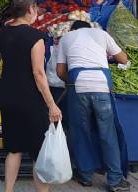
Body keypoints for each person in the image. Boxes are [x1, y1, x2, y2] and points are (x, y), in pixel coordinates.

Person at [0, 0, 63, 192]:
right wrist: (51, 104)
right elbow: (38, 73)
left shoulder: (4, 33)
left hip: (8, 95)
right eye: (36, 8)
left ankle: (8, 190)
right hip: (30, 98)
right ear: (31, 9)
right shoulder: (35, 37)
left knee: (14, 148)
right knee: (39, 151)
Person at [56, 21, 131, 192]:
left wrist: (74, 82)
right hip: (101, 85)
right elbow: (123, 58)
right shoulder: (101, 34)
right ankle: (115, 179)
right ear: (89, 27)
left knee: (80, 130)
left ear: (73, 29)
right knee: (108, 132)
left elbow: (60, 71)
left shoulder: (66, 38)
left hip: (78, 86)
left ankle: (85, 175)